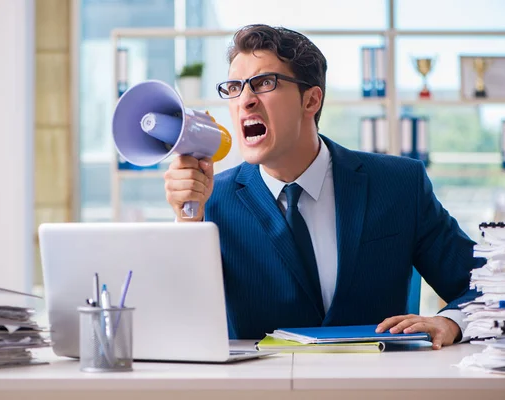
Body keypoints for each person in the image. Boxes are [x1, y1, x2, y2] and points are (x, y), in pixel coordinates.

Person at [163, 24, 485, 349]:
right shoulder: (212, 201)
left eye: (263, 83)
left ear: (311, 100)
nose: (244, 100)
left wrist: (450, 322)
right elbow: (177, 322)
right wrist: (188, 224)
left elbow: (487, 283)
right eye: (234, 87)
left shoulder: (400, 185)